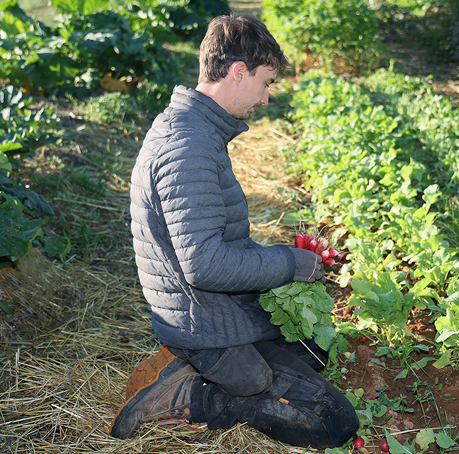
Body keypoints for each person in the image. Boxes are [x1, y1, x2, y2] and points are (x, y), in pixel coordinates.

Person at [108, 13, 359, 449]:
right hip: (203, 324)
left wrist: (279, 263)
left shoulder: (197, 130)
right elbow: (205, 265)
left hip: (214, 308)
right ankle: (191, 395)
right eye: (266, 83)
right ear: (238, 72)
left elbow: (209, 241)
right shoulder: (187, 149)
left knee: (316, 349)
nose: (266, 98)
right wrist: (289, 263)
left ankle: (193, 371)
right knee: (334, 421)